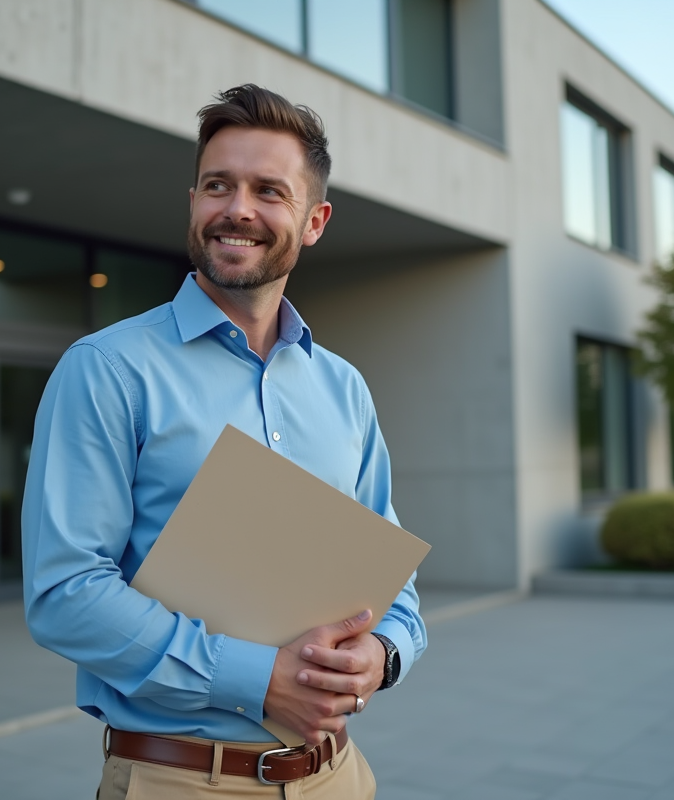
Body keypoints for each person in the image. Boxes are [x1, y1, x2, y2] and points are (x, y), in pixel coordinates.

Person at [22, 84, 426, 799]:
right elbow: (65, 592)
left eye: (269, 190)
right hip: (178, 780)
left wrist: (384, 653)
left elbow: (391, 581)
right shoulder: (108, 368)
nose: (237, 208)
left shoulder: (343, 388)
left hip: (337, 775)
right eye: (218, 185)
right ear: (194, 202)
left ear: (314, 221)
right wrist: (257, 679)